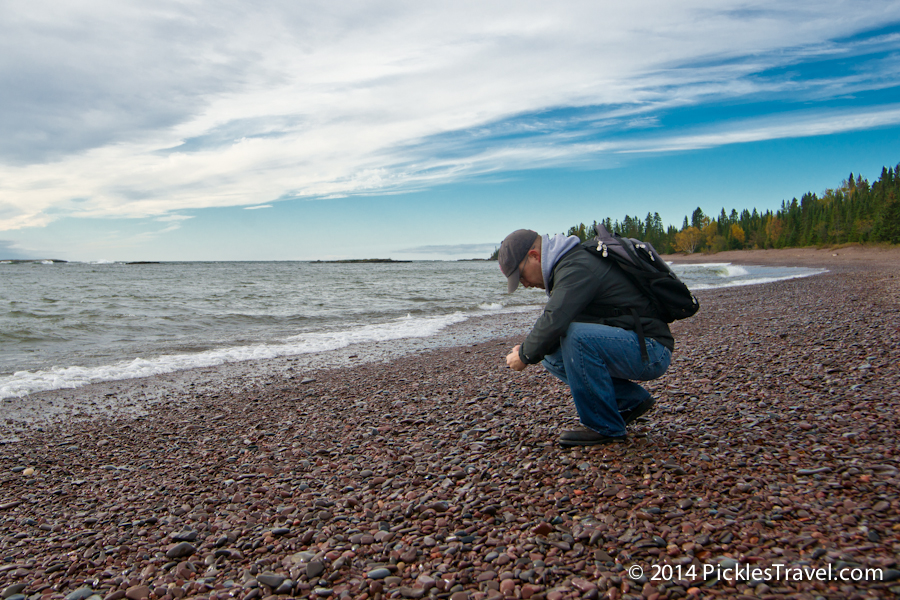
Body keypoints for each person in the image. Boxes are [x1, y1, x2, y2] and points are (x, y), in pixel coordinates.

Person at [498, 229, 674, 446]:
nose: (524, 284)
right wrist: (529, 349)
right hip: (635, 344)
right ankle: (629, 401)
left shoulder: (576, 266)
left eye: (521, 275)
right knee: (551, 354)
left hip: (651, 350)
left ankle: (604, 426)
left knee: (575, 336)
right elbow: (555, 326)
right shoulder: (568, 265)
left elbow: (555, 318)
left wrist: (524, 355)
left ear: (534, 256)